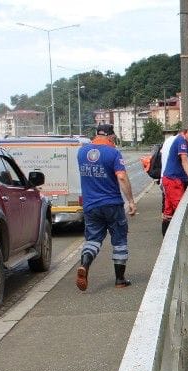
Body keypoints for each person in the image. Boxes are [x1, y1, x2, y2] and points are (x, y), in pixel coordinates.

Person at [75, 123, 136, 291]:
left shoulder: (81, 152)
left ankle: (85, 266)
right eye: (113, 138)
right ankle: (120, 280)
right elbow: (122, 177)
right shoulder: (114, 153)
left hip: (90, 205)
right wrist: (131, 201)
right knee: (119, 240)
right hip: (112, 204)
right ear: (110, 136)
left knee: (93, 240)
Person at [161, 122, 188, 235]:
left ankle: (167, 236)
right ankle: (177, 236)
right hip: (172, 180)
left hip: (175, 180)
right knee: (181, 210)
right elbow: (184, 160)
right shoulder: (181, 140)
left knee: (169, 211)